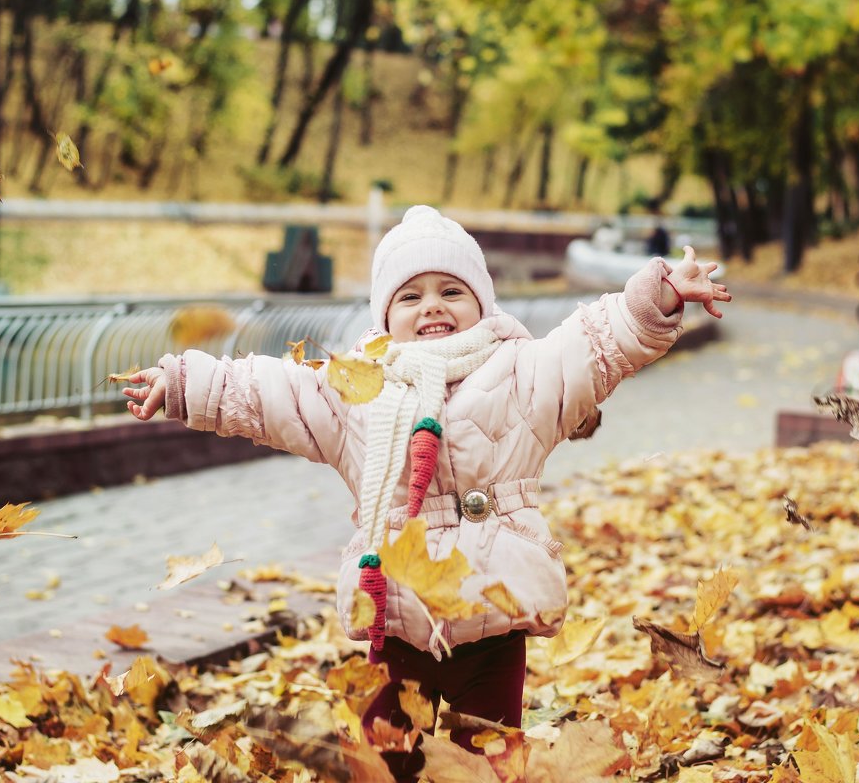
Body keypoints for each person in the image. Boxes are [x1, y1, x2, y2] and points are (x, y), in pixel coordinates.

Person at [123, 205, 730, 780]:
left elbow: (597, 343)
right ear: (384, 319)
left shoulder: (523, 372)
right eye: (410, 296)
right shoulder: (357, 390)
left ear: (481, 303)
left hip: (492, 622)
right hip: (400, 618)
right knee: (382, 757)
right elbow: (270, 393)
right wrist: (183, 384)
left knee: (487, 759)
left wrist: (661, 294)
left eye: (451, 291)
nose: (431, 307)